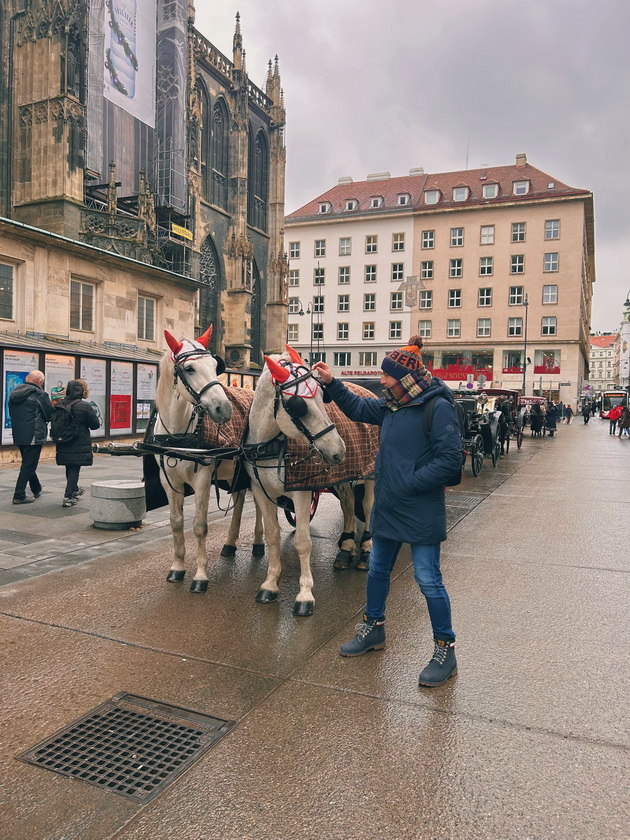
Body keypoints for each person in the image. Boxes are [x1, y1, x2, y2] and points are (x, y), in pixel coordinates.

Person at [312, 337, 462, 687]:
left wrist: (408, 482)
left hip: (421, 508)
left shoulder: (436, 407)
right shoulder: (394, 405)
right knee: (377, 570)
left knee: (428, 580)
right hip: (390, 507)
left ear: (404, 378)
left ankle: (445, 648)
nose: (381, 381)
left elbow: (451, 460)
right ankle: (373, 629)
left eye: (386, 376)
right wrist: (331, 382)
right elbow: (359, 409)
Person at [8, 370, 53, 504]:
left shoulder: (15, 393)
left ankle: (36, 488)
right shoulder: (39, 394)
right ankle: (19, 495)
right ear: (40, 382)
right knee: (29, 464)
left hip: (19, 434)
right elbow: (48, 414)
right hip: (34, 434)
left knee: (28, 462)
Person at [55, 379, 100, 507]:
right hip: (79, 441)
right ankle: (68, 496)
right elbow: (95, 425)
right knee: (74, 467)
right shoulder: (85, 406)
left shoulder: (60, 404)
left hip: (63, 441)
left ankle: (74, 489)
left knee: (69, 466)